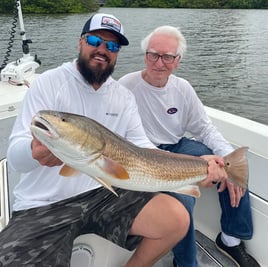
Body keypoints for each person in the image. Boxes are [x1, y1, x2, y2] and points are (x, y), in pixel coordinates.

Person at [0, 14, 227, 267]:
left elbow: (145, 150)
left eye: (112, 46)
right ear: (80, 42)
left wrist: (198, 164)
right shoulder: (48, 84)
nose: (102, 50)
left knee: (177, 219)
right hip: (45, 204)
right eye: (95, 40)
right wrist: (34, 151)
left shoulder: (123, 96)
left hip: (104, 193)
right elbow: (16, 161)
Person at [119, 26, 260, 267]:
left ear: (177, 61)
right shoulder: (126, 87)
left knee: (232, 166)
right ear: (145, 56)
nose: (159, 63)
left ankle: (230, 239)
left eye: (168, 57)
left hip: (178, 144)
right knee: (182, 204)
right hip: (145, 156)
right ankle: (185, 262)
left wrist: (227, 156)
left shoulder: (182, 88)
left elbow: (204, 128)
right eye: (153, 54)